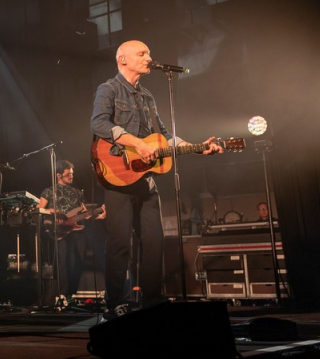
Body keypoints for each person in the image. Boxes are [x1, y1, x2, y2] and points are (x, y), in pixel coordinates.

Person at [90, 40, 221, 317]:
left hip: (145, 181)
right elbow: (98, 123)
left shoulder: (148, 96)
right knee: (120, 242)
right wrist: (137, 144)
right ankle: (114, 303)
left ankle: (151, 301)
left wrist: (198, 147)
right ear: (123, 59)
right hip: (117, 176)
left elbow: (164, 136)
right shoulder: (109, 89)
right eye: (142, 53)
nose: (149, 57)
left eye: (149, 52)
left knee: (154, 240)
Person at [37, 160, 105, 304]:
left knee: (78, 262)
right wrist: (53, 211)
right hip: (58, 230)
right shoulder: (48, 191)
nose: (71, 177)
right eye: (68, 175)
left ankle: (70, 295)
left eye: (72, 174)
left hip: (77, 231)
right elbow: (39, 209)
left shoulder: (76, 192)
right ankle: (60, 295)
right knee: (62, 263)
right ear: (58, 175)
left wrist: (98, 215)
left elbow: (84, 212)